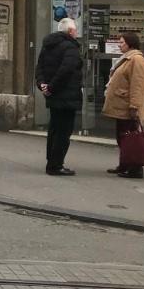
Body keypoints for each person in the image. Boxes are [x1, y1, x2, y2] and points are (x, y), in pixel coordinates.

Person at [35, 17, 83, 177]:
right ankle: (56, 165)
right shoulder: (70, 47)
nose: (77, 32)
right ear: (70, 31)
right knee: (63, 132)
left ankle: (51, 161)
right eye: (75, 30)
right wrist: (52, 86)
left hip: (54, 96)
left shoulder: (48, 45)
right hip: (66, 96)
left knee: (54, 129)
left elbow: (40, 66)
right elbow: (66, 70)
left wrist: (43, 85)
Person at [104, 31, 144, 179]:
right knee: (123, 137)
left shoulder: (136, 60)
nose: (119, 44)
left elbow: (138, 85)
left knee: (130, 137)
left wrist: (134, 106)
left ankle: (135, 168)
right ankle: (124, 164)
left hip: (128, 106)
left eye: (122, 42)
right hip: (121, 105)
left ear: (130, 43)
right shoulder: (126, 58)